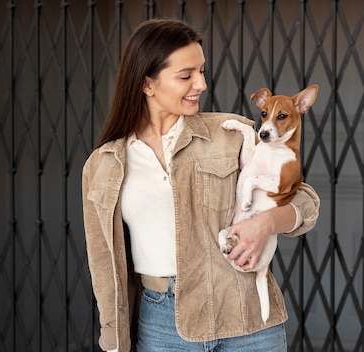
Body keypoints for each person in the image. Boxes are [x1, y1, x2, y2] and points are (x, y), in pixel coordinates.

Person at [81, 18, 319, 352]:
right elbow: (103, 266)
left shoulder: (230, 132)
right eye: (186, 75)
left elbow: (305, 199)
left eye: (202, 71)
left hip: (247, 319)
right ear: (147, 84)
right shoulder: (104, 165)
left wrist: (267, 224)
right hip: (163, 324)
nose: (201, 84)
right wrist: (114, 340)